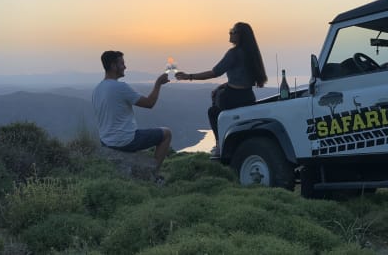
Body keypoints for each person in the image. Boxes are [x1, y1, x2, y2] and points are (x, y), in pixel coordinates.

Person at [175, 22, 267, 158]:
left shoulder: (233, 53)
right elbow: (241, 79)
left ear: (240, 35)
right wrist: (222, 86)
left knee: (213, 112)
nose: (230, 33)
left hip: (231, 98)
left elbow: (214, 72)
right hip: (248, 96)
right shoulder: (252, 53)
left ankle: (219, 145)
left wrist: (189, 76)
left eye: (233, 31)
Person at [92, 50, 172, 178]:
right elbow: (149, 103)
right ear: (113, 66)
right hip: (125, 141)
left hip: (106, 141)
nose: (125, 67)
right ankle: (154, 174)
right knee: (166, 133)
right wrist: (158, 84)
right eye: (122, 63)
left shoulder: (97, 89)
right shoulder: (120, 87)